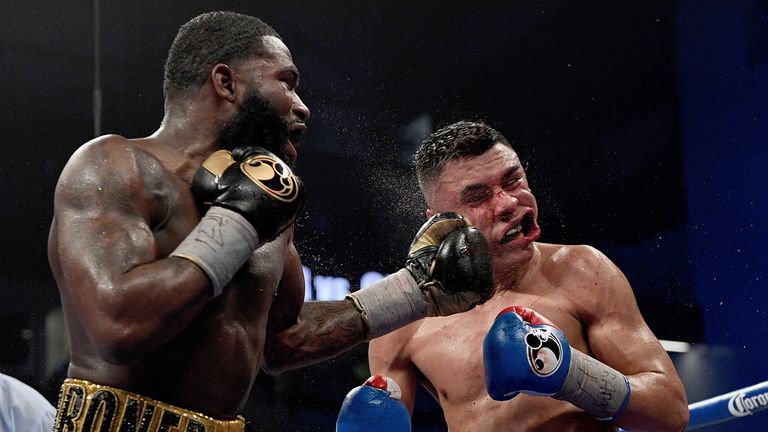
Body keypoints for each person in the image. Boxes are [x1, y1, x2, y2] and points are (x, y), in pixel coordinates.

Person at [47, 12, 494, 432]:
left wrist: (414, 292)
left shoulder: (270, 210)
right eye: (287, 82)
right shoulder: (116, 165)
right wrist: (239, 221)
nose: (302, 108)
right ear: (226, 83)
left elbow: (283, 340)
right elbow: (117, 325)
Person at [366, 121, 689, 431]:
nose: (508, 202)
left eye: (512, 180)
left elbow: (670, 413)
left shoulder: (583, 270)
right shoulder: (405, 318)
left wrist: (571, 374)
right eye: (478, 196)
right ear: (441, 222)